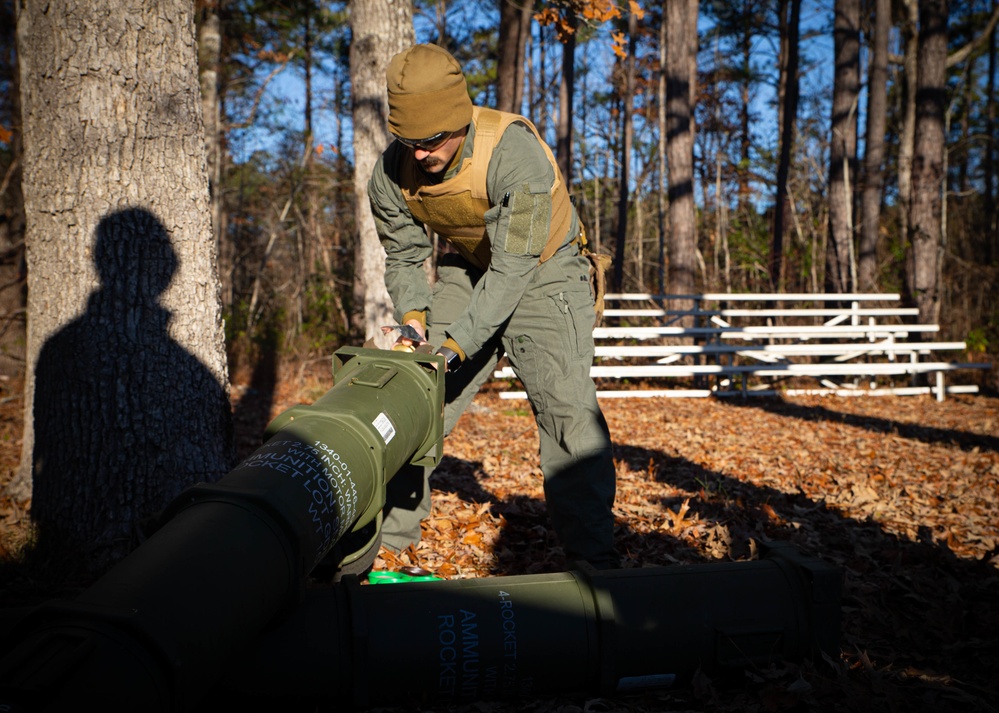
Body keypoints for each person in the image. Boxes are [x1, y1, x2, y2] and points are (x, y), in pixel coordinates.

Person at [367, 43, 618, 570]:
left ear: (459, 119)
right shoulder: (392, 171)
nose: (418, 154)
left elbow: (514, 268)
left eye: (431, 140)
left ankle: (594, 565)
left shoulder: (512, 151)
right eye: (407, 140)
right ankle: (388, 542)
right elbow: (405, 255)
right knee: (419, 393)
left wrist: (456, 347)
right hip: (471, 266)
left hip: (544, 271)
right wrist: (416, 323)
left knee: (567, 412)